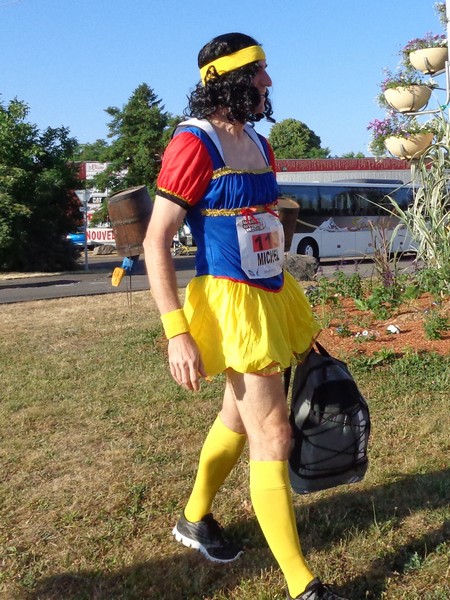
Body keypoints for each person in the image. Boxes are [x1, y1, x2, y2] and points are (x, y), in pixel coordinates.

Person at [143, 32, 348, 600]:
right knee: (272, 431)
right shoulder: (193, 144)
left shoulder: (259, 142)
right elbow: (156, 240)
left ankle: (194, 518)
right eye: (258, 72)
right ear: (227, 80)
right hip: (231, 303)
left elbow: (263, 219)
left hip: (270, 294)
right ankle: (302, 585)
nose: (268, 82)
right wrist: (177, 332)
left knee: (237, 419)